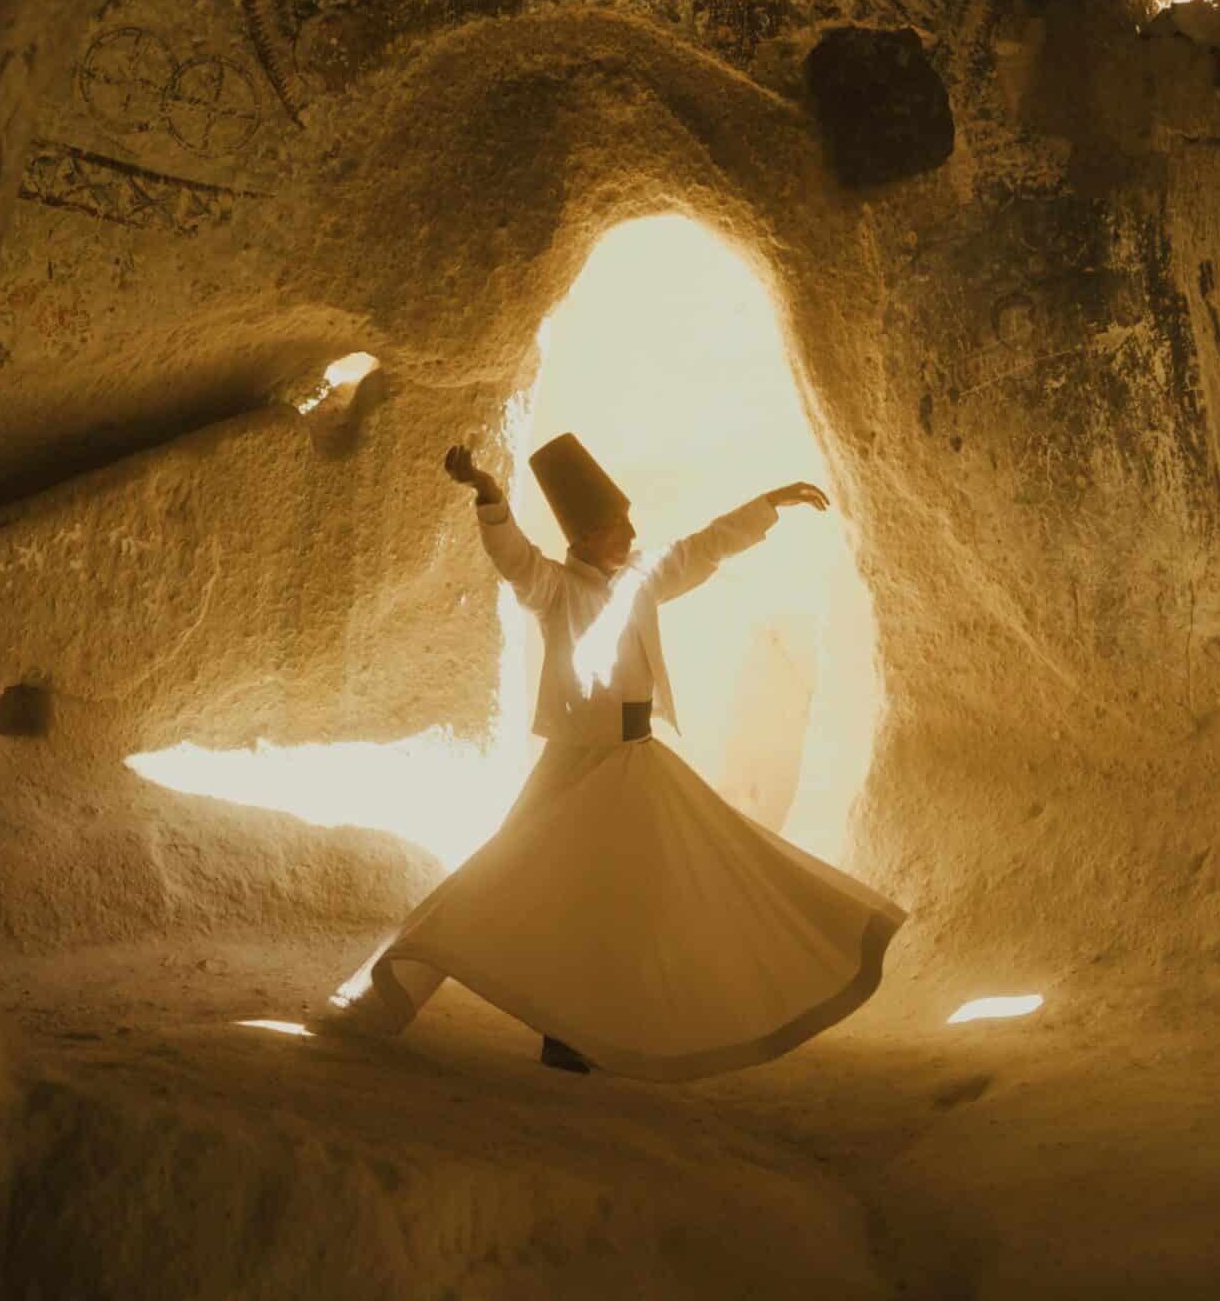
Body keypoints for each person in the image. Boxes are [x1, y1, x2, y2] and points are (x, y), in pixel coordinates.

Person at [336, 431, 905, 1080]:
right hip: (578, 765)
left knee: (638, 892)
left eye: (629, 526)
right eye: (616, 529)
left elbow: (699, 549)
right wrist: (489, 496)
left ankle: (603, 1021)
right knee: (527, 880)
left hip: (636, 761)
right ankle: (542, 1019)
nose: (629, 537)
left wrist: (766, 506)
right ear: (581, 541)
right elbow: (514, 558)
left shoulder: (640, 579)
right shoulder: (554, 588)